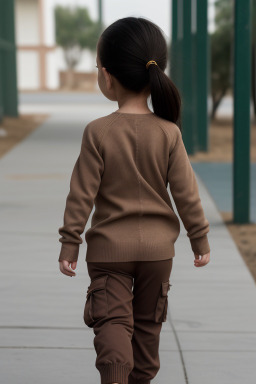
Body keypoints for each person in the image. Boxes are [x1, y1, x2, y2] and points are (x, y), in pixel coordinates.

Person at [58, 16, 211, 384]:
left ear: (107, 77)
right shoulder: (169, 132)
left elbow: (81, 194)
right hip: (159, 254)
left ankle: (114, 378)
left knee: (111, 320)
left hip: (109, 252)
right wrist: (199, 239)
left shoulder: (98, 132)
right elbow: (186, 194)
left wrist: (70, 243)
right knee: (147, 329)